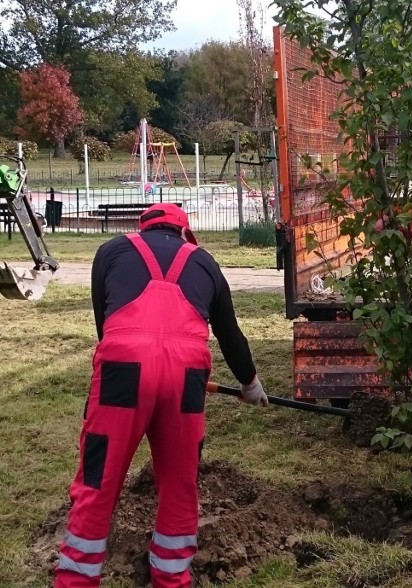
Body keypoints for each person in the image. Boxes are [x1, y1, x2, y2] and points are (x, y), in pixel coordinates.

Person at [54, 203, 268, 587]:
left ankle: (76, 580)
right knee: (179, 480)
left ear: (144, 228)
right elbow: (229, 334)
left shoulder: (111, 251)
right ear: (184, 233)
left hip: (122, 370)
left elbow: (106, 326)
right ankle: (171, 578)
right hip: (186, 374)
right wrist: (250, 384)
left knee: (98, 480)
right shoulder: (205, 261)